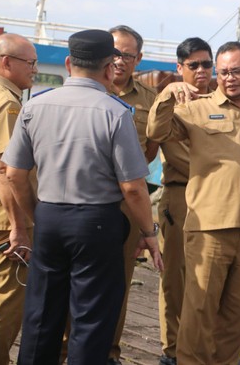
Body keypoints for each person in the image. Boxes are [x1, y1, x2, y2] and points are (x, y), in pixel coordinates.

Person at [2, 29, 163, 365]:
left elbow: (14, 173)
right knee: (91, 319)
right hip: (97, 224)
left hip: (48, 217)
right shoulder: (115, 112)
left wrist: (37, 214)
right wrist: (149, 233)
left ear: (67, 64)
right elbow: (132, 187)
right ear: (109, 68)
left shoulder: (35, 105)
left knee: (41, 314)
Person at [147, 41, 240, 365]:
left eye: (237, 71)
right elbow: (156, 130)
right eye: (224, 72)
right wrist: (167, 94)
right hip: (210, 227)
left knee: (238, 313)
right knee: (199, 309)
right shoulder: (195, 108)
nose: (230, 78)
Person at [155, 37, 215, 365]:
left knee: (211, 276)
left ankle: (203, 346)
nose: (201, 70)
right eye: (193, 65)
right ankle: (173, 348)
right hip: (182, 196)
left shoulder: (223, 102)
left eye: (207, 64)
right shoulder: (171, 105)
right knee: (175, 277)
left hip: (219, 200)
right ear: (180, 69)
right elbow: (176, 153)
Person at [106, 25, 160, 365]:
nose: (119, 60)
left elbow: (151, 150)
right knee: (76, 278)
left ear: (138, 59)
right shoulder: (90, 89)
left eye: (127, 54)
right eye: (114, 52)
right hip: (85, 198)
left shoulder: (149, 100)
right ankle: (68, 350)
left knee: (119, 280)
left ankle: (108, 351)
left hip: (127, 204)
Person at [0, 33, 36, 365]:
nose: (34, 70)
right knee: (4, 305)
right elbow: (4, 169)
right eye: (30, 63)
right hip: (3, 224)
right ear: (6, 63)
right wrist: (19, 227)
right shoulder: (6, 102)